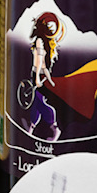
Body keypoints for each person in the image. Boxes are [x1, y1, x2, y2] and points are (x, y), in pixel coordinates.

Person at [26, 12, 65, 140]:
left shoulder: (39, 41)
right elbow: (45, 66)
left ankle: (55, 128)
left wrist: (37, 77)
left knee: (40, 102)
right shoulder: (45, 42)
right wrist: (49, 79)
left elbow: (39, 61)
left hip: (37, 75)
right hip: (41, 75)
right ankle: (31, 128)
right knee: (36, 102)